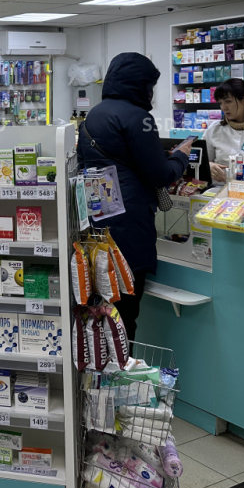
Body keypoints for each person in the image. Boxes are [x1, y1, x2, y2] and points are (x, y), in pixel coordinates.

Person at [77, 52, 191, 342]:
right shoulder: (139, 117)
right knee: (125, 315)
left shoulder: (94, 115)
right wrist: (181, 157)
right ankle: (123, 367)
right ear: (141, 84)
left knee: (104, 311)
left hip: (98, 220)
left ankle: (101, 366)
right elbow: (160, 175)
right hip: (130, 224)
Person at [202, 78, 244, 184]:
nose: (223, 107)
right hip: (219, 189)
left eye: (228, 101)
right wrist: (208, 165)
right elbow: (201, 161)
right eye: (220, 103)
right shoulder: (215, 129)